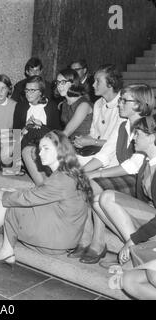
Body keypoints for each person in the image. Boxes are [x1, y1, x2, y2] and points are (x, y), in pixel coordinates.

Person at [0, 130, 92, 264]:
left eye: (46, 148)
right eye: (40, 149)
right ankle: (5, 251)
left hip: (55, 240)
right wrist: (8, 192)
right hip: (60, 230)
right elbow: (39, 195)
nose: (40, 153)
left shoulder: (62, 179)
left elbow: (29, 198)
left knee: (4, 202)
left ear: (60, 150)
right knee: (10, 198)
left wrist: (1, 193)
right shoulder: (66, 172)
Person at [69, 84, 154, 264]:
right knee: (81, 180)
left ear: (139, 104)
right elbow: (104, 155)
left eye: (124, 100)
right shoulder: (123, 124)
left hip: (138, 179)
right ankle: (85, 237)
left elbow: (133, 166)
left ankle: (98, 241)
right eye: (120, 99)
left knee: (94, 184)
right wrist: (81, 172)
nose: (119, 104)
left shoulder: (148, 127)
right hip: (127, 174)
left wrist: (97, 175)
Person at [97, 115, 156, 299]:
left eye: (137, 133)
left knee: (107, 197)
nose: (133, 138)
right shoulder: (147, 162)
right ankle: (137, 252)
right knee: (98, 200)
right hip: (152, 216)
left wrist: (133, 239)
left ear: (153, 136)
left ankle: (134, 251)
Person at [12, 75, 61, 185]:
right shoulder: (21, 106)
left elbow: (57, 134)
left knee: (38, 133)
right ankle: (17, 161)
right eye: (27, 90)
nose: (28, 93)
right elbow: (15, 132)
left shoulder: (51, 107)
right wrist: (25, 127)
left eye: (33, 90)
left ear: (41, 92)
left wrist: (41, 125)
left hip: (45, 145)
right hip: (25, 143)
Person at [74, 64, 124, 163]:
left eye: (98, 81)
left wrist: (92, 142)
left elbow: (116, 143)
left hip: (113, 157)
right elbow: (94, 133)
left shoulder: (123, 105)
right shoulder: (98, 104)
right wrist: (82, 140)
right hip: (96, 151)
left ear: (110, 83)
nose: (93, 85)